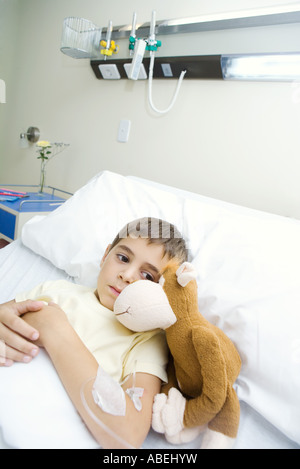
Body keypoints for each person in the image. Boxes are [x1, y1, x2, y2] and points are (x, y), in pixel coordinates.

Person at [0, 217, 188, 449]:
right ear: (105, 255)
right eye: (123, 258)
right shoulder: (54, 290)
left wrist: (55, 329)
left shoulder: (147, 339)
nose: (127, 275)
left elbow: (128, 436)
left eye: (147, 276)